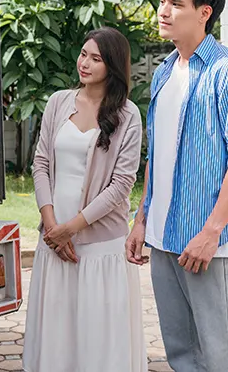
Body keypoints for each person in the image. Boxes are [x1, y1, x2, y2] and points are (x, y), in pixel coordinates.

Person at [126, 0, 228, 372]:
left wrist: (211, 233)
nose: (162, 12)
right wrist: (140, 220)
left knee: (222, 356)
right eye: (161, 2)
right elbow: (158, 154)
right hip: (163, 235)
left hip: (205, 243)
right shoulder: (165, 71)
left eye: (175, 4)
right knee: (182, 355)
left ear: (204, 12)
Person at [23, 27, 147, 372]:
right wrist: (52, 227)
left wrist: (72, 229)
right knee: (58, 330)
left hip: (99, 246)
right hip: (54, 240)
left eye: (96, 58)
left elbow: (122, 184)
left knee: (97, 334)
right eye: (83, 54)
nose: (85, 63)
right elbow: (42, 163)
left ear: (113, 66)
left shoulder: (127, 114)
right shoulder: (58, 102)